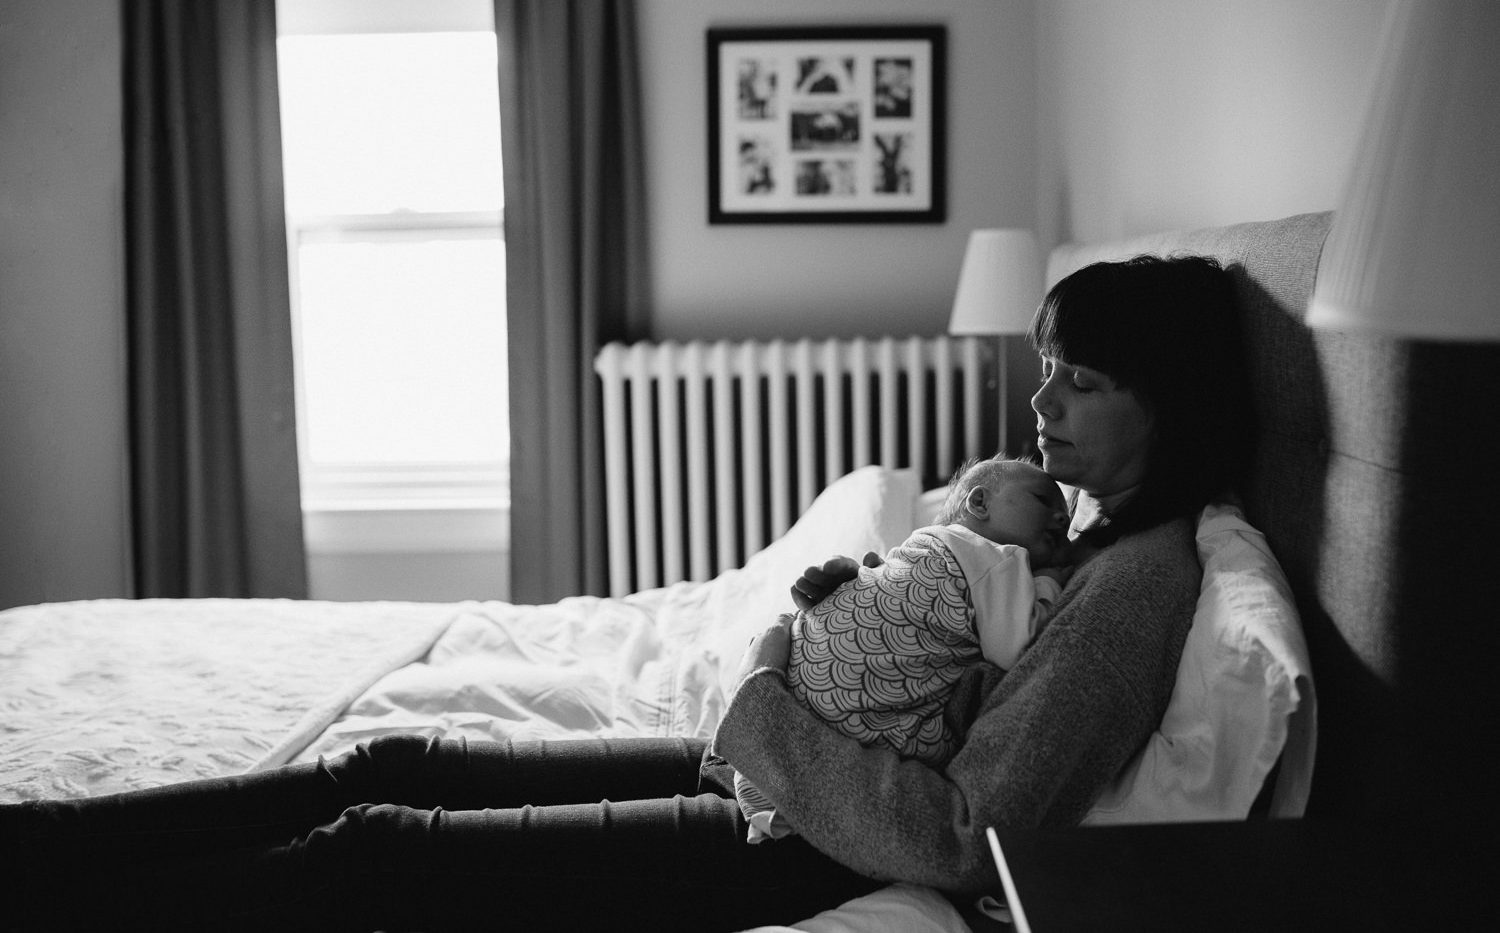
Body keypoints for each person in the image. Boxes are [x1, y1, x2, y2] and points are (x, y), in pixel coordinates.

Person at [0, 254, 1253, 932]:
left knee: (372, 852)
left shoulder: (1141, 588)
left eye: (1078, 378)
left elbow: (963, 836)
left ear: (1171, 401)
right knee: (390, 761)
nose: (1039, 408)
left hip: (794, 845)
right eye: (1045, 369)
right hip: (781, 773)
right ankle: (42, 845)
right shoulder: (1081, 530)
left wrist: (765, 688)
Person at [733, 456, 1073, 843]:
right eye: (1044, 500)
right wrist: (1048, 582)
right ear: (979, 503)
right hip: (806, 757)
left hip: (776, 733)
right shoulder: (1000, 559)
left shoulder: (925, 546)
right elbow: (1022, 647)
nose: (1062, 519)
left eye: (1065, 512)